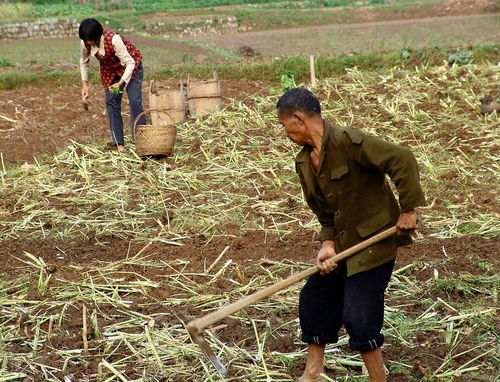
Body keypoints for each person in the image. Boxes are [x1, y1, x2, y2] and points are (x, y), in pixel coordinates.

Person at [276, 88, 426, 382]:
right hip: (343, 245)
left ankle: (377, 379)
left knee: (358, 314)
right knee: (314, 298)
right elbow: (323, 210)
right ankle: (313, 372)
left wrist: (408, 210)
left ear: (298, 118)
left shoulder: (349, 141)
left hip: (373, 244)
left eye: (284, 125)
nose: (284, 132)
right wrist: (327, 243)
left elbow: (402, 159)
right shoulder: (304, 162)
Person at [79, 18, 146, 152]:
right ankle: (119, 143)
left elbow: (130, 63)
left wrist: (120, 83)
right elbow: (83, 62)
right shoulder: (85, 43)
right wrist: (85, 85)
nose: (87, 42)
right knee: (112, 103)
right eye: (85, 40)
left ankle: (141, 139)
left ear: (97, 36)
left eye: (89, 40)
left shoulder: (114, 39)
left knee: (134, 101)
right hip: (110, 72)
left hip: (130, 68)